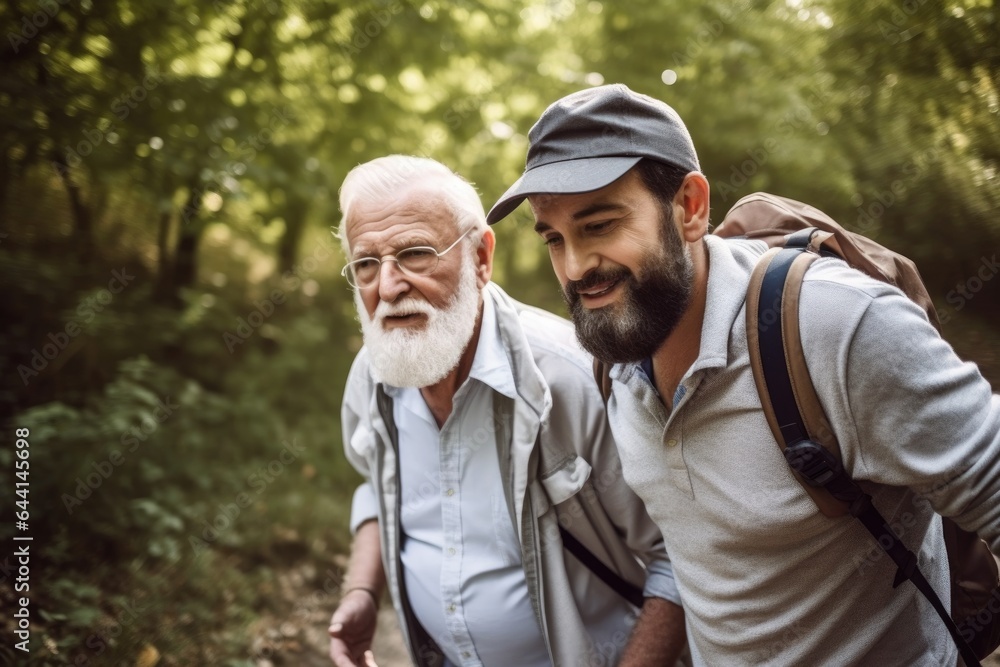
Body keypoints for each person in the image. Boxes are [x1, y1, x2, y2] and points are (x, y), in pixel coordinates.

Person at [486, 83, 1000, 665]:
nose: (576, 268)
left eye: (600, 225)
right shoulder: (618, 356)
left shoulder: (834, 327)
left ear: (689, 207)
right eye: (555, 238)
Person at [328, 154, 688, 667]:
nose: (387, 287)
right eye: (366, 264)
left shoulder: (572, 379)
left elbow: (676, 556)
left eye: (415, 254)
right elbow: (376, 487)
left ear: (480, 256)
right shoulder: (371, 374)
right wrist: (362, 590)